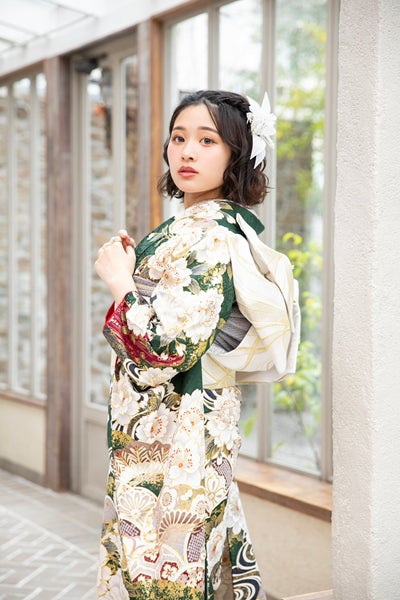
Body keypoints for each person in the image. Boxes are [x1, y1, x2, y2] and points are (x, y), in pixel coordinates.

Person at [94, 89, 299, 600]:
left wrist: (120, 282)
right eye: (179, 137)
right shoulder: (196, 228)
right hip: (181, 420)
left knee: (167, 571)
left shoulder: (208, 236)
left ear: (237, 153)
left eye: (208, 141)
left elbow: (167, 350)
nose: (187, 151)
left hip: (178, 427)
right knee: (189, 560)